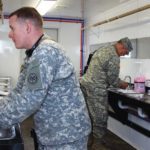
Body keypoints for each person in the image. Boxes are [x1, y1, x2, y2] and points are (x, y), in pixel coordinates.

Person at [0, 7, 91, 150]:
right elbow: (19, 92)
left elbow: (28, 101)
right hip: (52, 133)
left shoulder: (45, 52)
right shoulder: (34, 54)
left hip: (66, 136)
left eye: (12, 28)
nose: (10, 34)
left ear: (28, 28)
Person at [80, 37, 133, 149]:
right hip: (96, 89)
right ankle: (97, 144)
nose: (124, 54)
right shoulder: (113, 56)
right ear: (122, 46)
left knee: (88, 115)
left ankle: (90, 140)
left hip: (85, 85)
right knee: (100, 117)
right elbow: (113, 80)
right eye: (126, 52)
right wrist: (126, 85)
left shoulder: (104, 48)